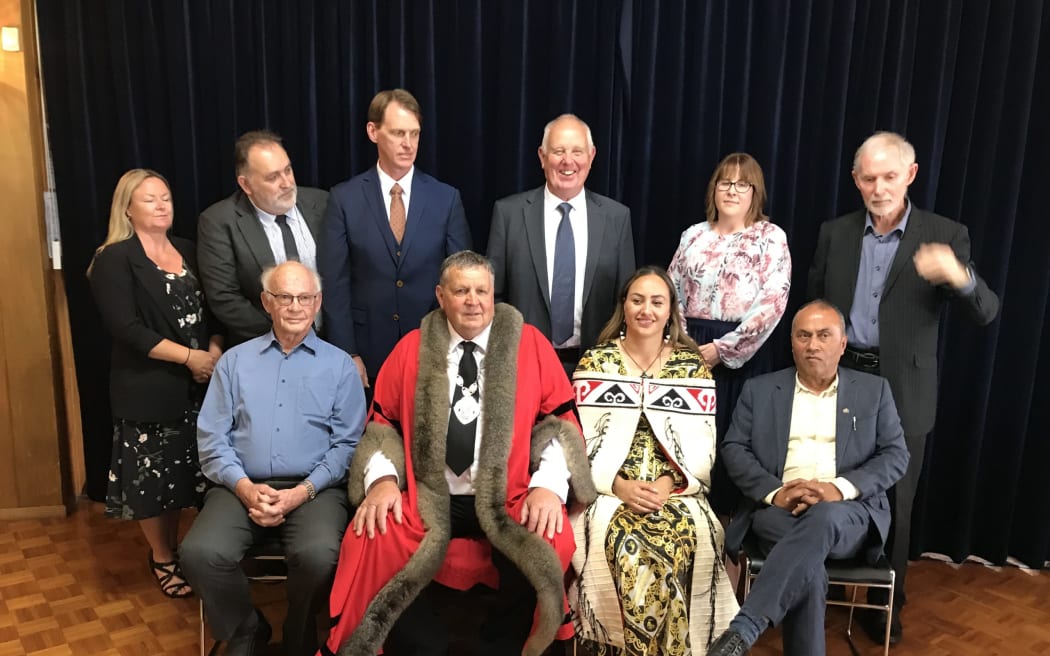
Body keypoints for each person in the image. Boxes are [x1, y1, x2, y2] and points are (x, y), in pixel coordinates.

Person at [320, 251, 596, 656]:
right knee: (373, 533)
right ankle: (413, 645)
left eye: (482, 291)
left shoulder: (529, 345)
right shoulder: (411, 348)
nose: (473, 301)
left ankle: (513, 646)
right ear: (440, 295)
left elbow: (558, 423)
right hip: (428, 495)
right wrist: (382, 482)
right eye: (461, 291)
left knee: (549, 537)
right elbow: (383, 425)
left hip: (509, 494)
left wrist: (548, 487)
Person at [807, 131, 999, 642]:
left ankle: (884, 603)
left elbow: (986, 311)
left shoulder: (945, 234)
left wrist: (957, 273)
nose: (879, 188)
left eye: (890, 177)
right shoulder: (835, 232)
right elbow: (815, 305)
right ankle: (816, 590)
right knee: (828, 484)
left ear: (910, 175)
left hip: (904, 390)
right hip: (840, 381)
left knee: (896, 501)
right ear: (856, 180)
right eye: (869, 178)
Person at [181, 261, 365, 656]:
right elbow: (212, 439)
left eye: (304, 297)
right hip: (239, 485)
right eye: (285, 297)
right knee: (199, 554)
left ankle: (299, 629)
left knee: (319, 556)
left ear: (317, 302)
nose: (295, 306)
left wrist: (301, 492)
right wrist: (245, 488)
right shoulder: (234, 362)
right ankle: (248, 628)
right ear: (267, 302)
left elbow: (347, 447)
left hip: (315, 489)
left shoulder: (340, 366)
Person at [708, 301, 909, 656]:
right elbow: (734, 448)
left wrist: (837, 489)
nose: (812, 345)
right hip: (778, 511)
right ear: (792, 343)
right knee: (809, 568)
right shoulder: (760, 389)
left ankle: (744, 629)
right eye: (803, 336)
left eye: (823, 335)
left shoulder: (874, 390)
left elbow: (895, 455)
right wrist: (775, 493)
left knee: (824, 518)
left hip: (848, 513)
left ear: (842, 344)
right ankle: (741, 636)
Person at [571, 266, 738, 655]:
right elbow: (581, 441)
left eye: (656, 302)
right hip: (608, 489)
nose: (646, 310)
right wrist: (619, 485)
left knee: (683, 540)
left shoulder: (691, 366)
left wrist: (668, 484)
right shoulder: (596, 362)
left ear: (670, 311)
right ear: (624, 306)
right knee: (623, 543)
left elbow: (702, 444)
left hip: (677, 489)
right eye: (638, 300)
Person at [88, 169, 223, 598]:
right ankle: (163, 557)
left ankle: (186, 550)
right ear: (127, 208)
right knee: (153, 483)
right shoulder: (114, 258)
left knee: (185, 477)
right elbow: (126, 328)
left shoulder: (189, 250)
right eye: (149, 199)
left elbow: (213, 311)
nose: (161, 205)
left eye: (165, 197)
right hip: (148, 386)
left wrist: (214, 351)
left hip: (201, 386)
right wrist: (190, 358)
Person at [319, 88, 472, 390]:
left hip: (433, 353)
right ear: (373, 131)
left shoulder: (445, 198)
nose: (408, 144)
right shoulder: (344, 198)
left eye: (414, 134)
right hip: (366, 356)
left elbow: (461, 278)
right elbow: (334, 283)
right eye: (398, 133)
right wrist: (347, 353)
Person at [668, 152, 791, 515]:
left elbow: (773, 301)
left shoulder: (770, 237)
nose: (732, 190)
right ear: (714, 189)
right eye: (725, 182)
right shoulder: (693, 235)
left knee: (734, 443)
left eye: (742, 184)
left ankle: (731, 529)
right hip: (689, 349)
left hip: (744, 355)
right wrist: (687, 345)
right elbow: (671, 291)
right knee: (689, 441)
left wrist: (722, 349)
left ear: (755, 192)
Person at [488, 113, 635, 376]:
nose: (568, 161)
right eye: (558, 151)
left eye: (577, 151)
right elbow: (493, 296)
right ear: (542, 157)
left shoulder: (616, 218)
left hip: (597, 369)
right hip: (524, 367)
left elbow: (626, 300)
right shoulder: (509, 214)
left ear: (591, 156)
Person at [197, 130, 329, 348]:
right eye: (273, 177)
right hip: (265, 346)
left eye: (288, 170)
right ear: (246, 185)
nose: (286, 183)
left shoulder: (322, 203)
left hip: (330, 343)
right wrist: (286, 336)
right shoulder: (219, 222)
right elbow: (224, 298)